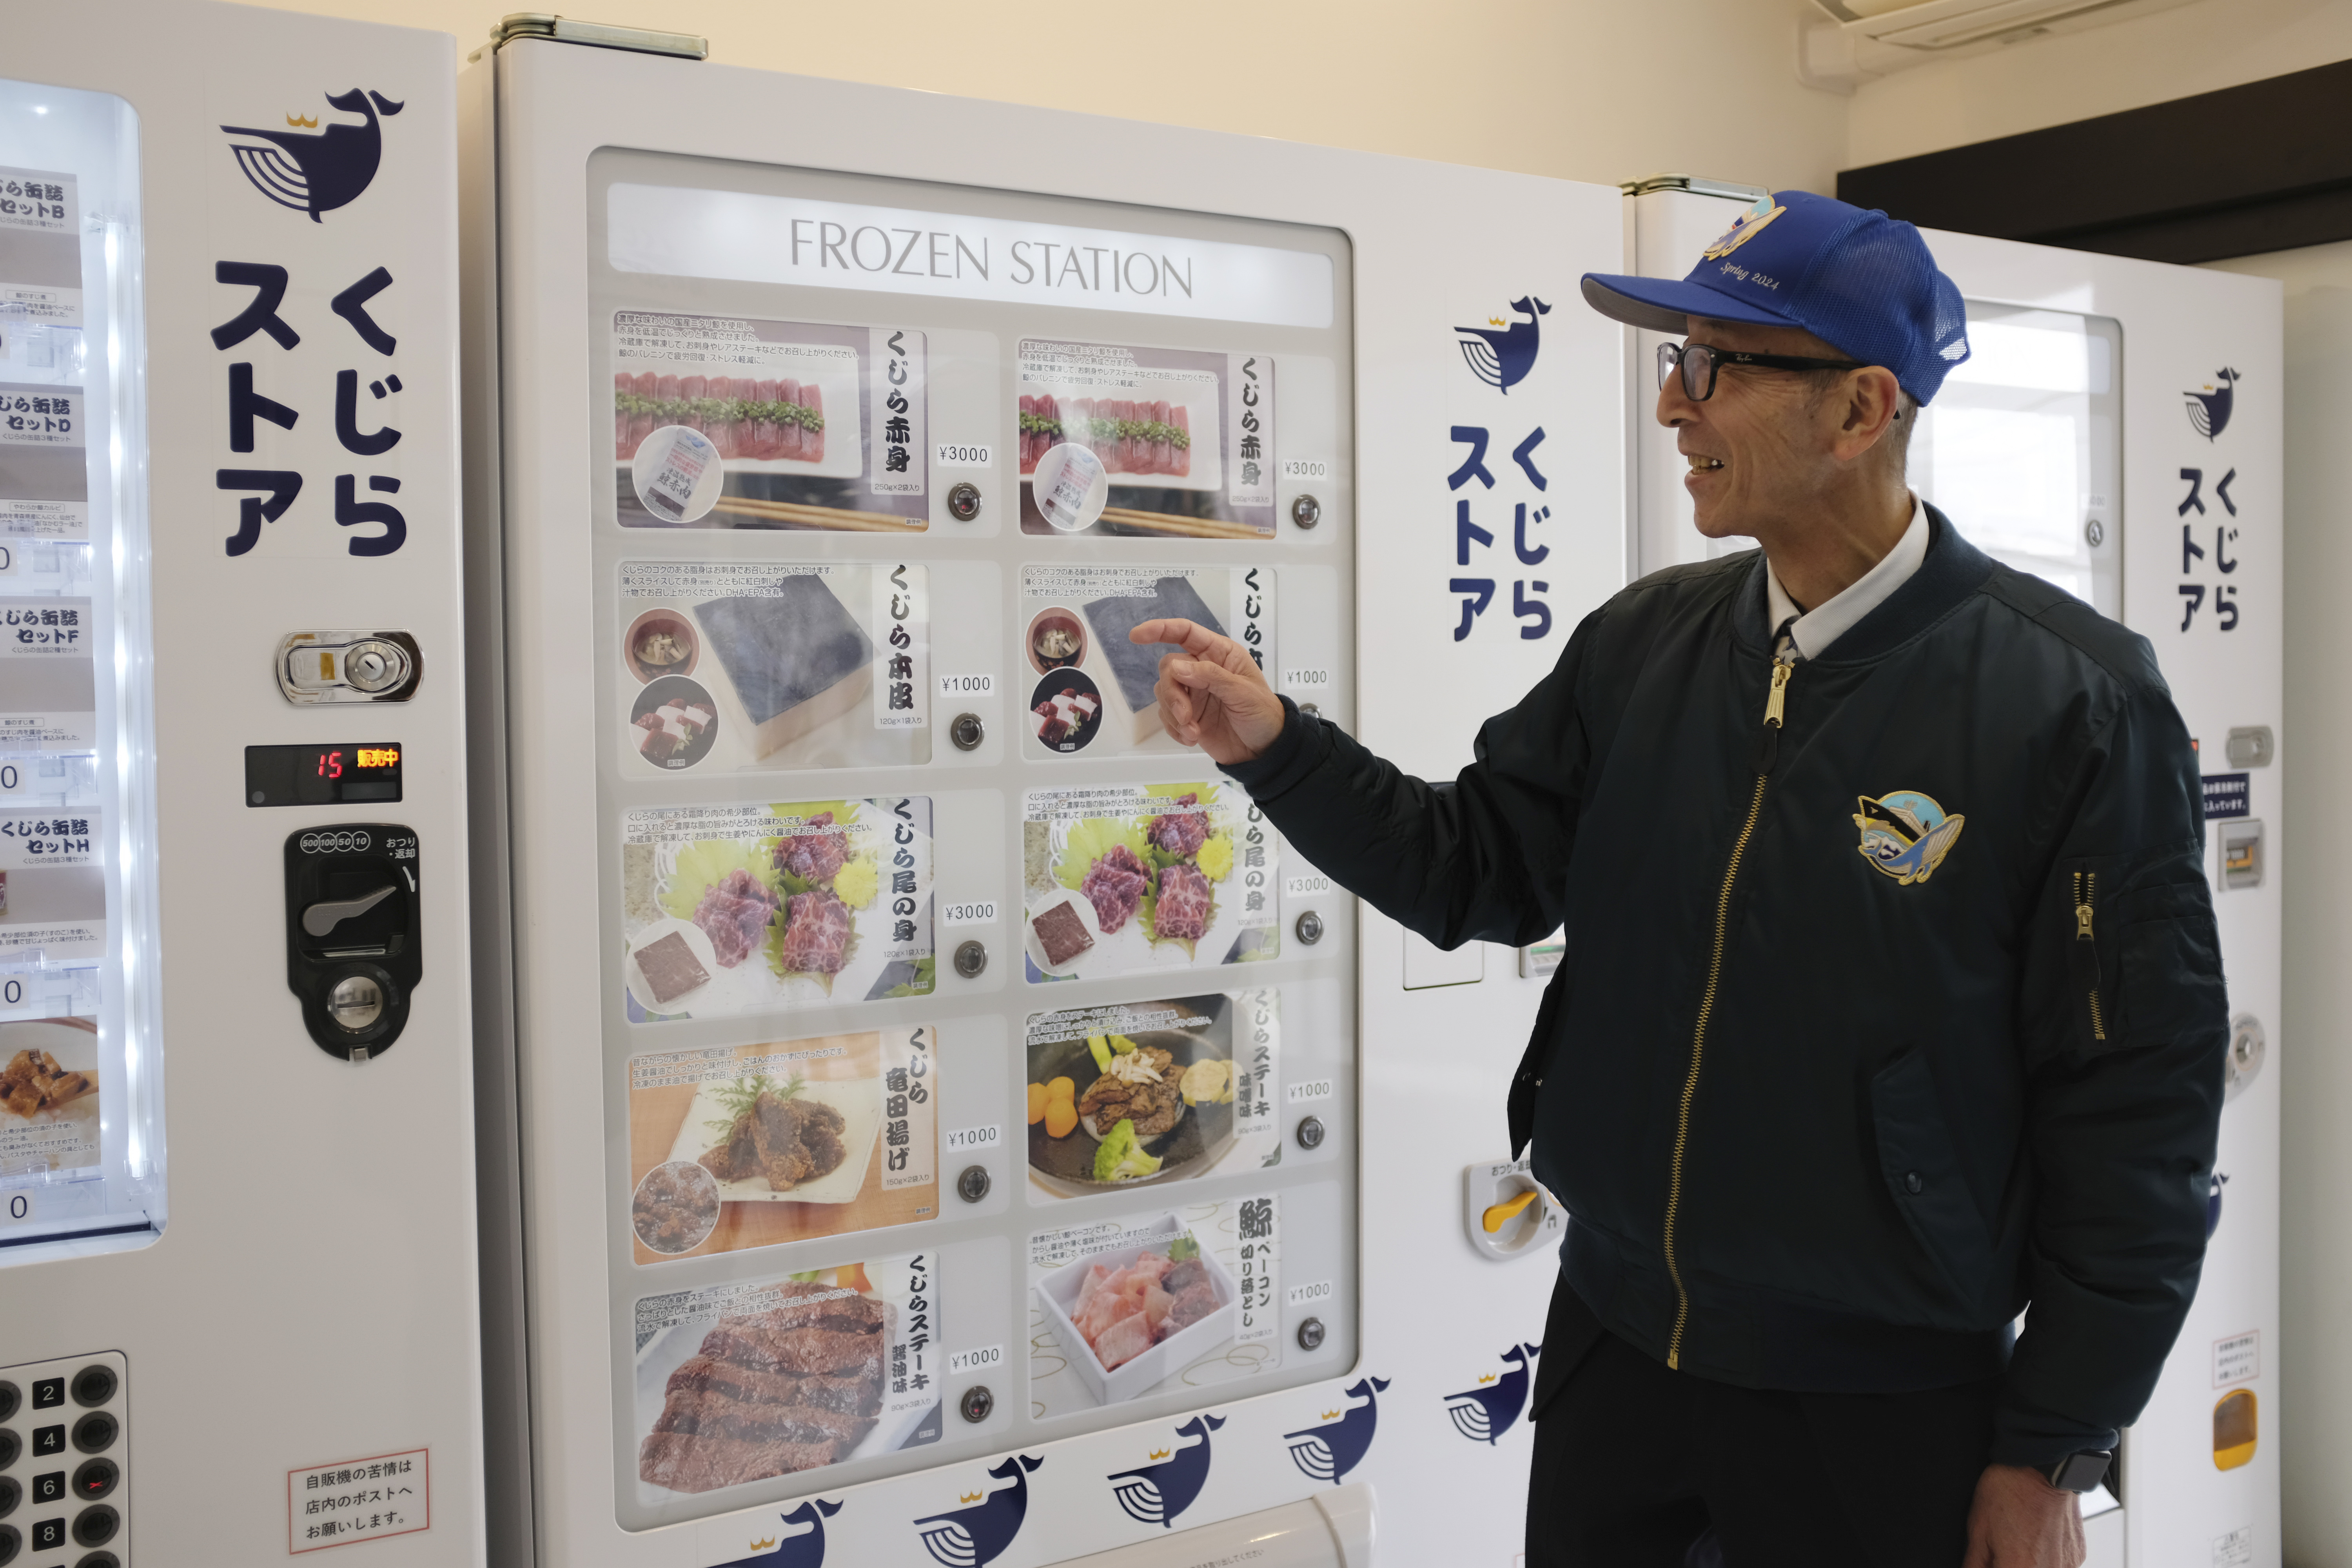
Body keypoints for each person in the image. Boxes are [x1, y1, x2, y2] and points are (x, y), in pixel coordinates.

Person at [1130, 191, 2226, 1568]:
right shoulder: (1648, 640)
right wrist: (1278, 751)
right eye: (1673, 362)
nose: (1672, 408)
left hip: (1883, 1402)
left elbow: (2138, 1111)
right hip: (1616, 1350)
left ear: (1861, 409)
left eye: (1716, 367)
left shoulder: (2072, 702)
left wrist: (2052, 1442)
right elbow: (1477, 868)